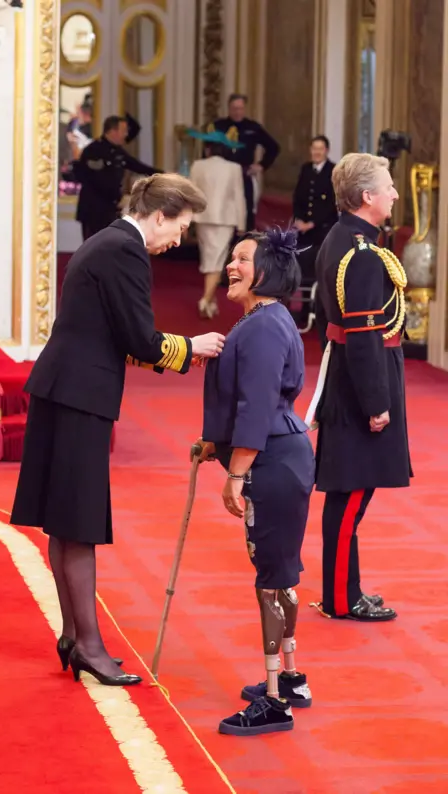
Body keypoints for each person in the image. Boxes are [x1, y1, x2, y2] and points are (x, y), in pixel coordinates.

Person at [10, 173, 225, 686]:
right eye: (180, 227)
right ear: (158, 215)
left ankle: (74, 636)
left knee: (65, 524)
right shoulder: (126, 250)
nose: (178, 240)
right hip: (80, 395)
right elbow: (140, 339)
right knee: (79, 523)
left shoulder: (106, 241)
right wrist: (192, 349)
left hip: (62, 389)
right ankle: (88, 645)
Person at [196, 228, 315, 737]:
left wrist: (236, 474)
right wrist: (213, 444)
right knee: (279, 573)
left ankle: (274, 702)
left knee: (272, 579)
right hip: (280, 456)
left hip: (272, 463)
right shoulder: (266, 319)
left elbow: (258, 406)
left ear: (266, 270)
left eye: (243, 258)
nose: (232, 266)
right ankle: (290, 680)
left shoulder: (263, 326)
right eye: (233, 257)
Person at [310, 152, 411, 622]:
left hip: (351, 375)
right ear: (367, 197)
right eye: (388, 187)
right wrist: (378, 403)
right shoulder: (361, 253)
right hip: (360, 384)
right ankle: (339, 598)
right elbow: (365, 334)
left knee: (351, 496)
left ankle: (345, 590)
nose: (394, 193)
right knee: (351, 496)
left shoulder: (344, 239)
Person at [189, 130, 247, 319]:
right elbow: (239, 196)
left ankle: (210, 302)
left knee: (209, 258)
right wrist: (242, 223)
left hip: (202, 217)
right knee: (218, 260)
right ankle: (205, 300)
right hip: (225, 219)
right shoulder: (234, 167)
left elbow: (191, 193)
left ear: (208, 149)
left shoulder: (197, 165)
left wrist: (187, 218)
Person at [74, 115, 160, 241]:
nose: (126, 134)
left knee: (108, 247)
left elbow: (137, 166)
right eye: (123, 131)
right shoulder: (93, 150)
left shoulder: (118, 151)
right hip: (93, 209)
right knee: (92, 249)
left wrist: (162, 175)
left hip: (109, 209)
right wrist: (118, 197)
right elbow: (96, 181)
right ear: (113, 131)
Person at [208, 93, 280, 231]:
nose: (237, 112)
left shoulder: (253, 127)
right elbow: (207, 150)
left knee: (246, 212)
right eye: (234, 108)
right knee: (222, 210)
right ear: (229, 108)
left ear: (244, 108)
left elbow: (274, 147)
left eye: (240, 108)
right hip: (222, 177)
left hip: (244, 176)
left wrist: (261, 165)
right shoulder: (218, 127)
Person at [291, 135, 338, 328]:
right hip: (304, 232)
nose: (317, 152)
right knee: (304, 270)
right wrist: (299, 219)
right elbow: (298, 197)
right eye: (314, 148)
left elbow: (331, 204)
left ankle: (320, 311)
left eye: (320, 149)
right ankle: (304, 310)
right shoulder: (305, 169)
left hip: (323, 231)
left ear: (326, 150)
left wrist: (313, 222)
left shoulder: (333, 170)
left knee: (321, 271)